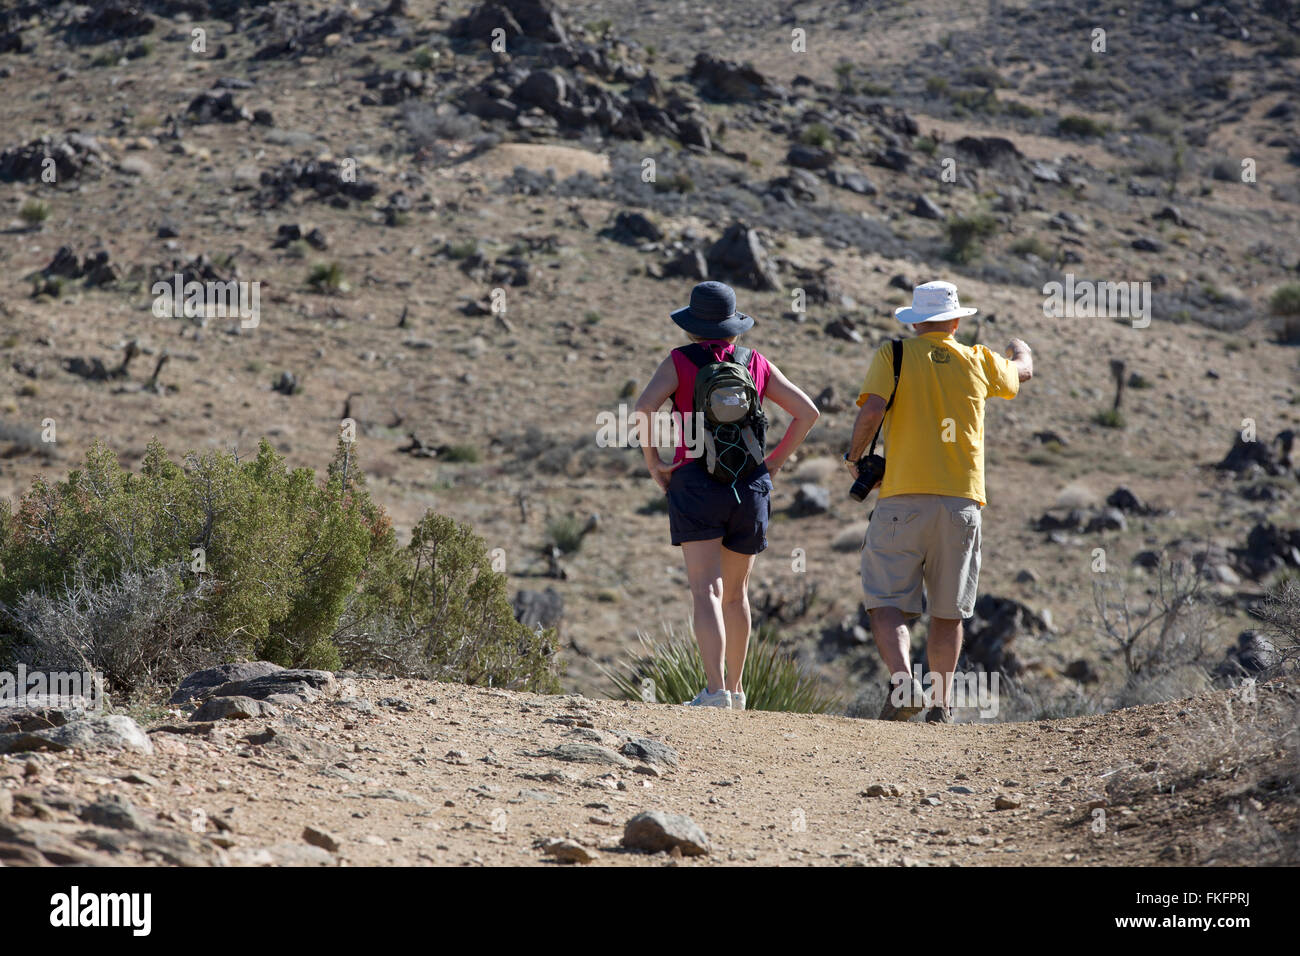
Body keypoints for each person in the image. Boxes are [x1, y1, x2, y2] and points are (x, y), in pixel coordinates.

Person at [844, 280, 1033, 723]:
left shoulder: (893, 355)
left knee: (887, 600)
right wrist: (1020, 349)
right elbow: (1021, 372)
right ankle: (942, 704)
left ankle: (903, 682)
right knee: (949, 609)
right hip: (961, 502)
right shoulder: (981, 359)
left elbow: (871, 410)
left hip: (901, 498)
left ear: (915, 319)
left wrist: (855, 459)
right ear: (955, 319)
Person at [635, 281, 820, 710]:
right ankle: (735, 692)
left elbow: (644, 408)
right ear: (733, 327)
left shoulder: (679, 361)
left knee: (706, 592)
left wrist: (655, 463)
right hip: (750, 486)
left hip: (695, 482)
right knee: (737, 595)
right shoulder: (754, 361)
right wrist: (773, 463)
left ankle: (714, 692)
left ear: (693, 327)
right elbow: (808, 412)